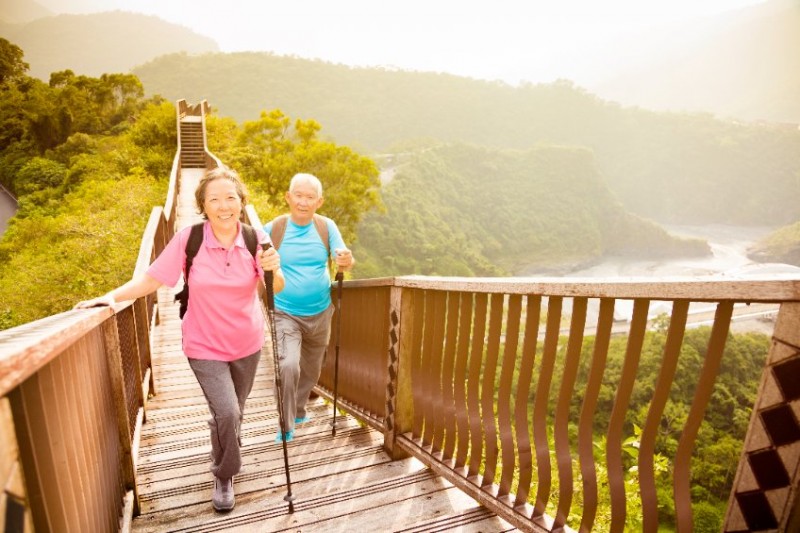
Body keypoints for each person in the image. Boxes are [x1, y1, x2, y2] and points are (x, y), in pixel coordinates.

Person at [75, 167, 283, 513]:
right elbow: (152, 279)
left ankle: (221, 434)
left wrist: (276, 267)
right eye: (214, 199)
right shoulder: (190, 239)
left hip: (248, 343)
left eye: (230, 197)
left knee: (232, 412)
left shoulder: (256, 239)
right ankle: (225, 473)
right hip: (204, 344)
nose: (224, 205)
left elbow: (275, 290)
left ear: (242, 201)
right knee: (229, 412)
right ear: (202, 205)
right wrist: (111, 297)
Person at [264, 173, 354, 443]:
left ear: (319, 201)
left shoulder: (326, 227)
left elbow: (344, 258)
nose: (303, 202)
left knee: (313, 369)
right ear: (288, 197)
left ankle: (300, 408)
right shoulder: (273, 229)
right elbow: (251, 258)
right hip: (284, 311)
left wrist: (346, 260)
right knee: (289, 365)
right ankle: (286, 421)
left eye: (310, 197)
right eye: (298, 196)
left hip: (321, 311)